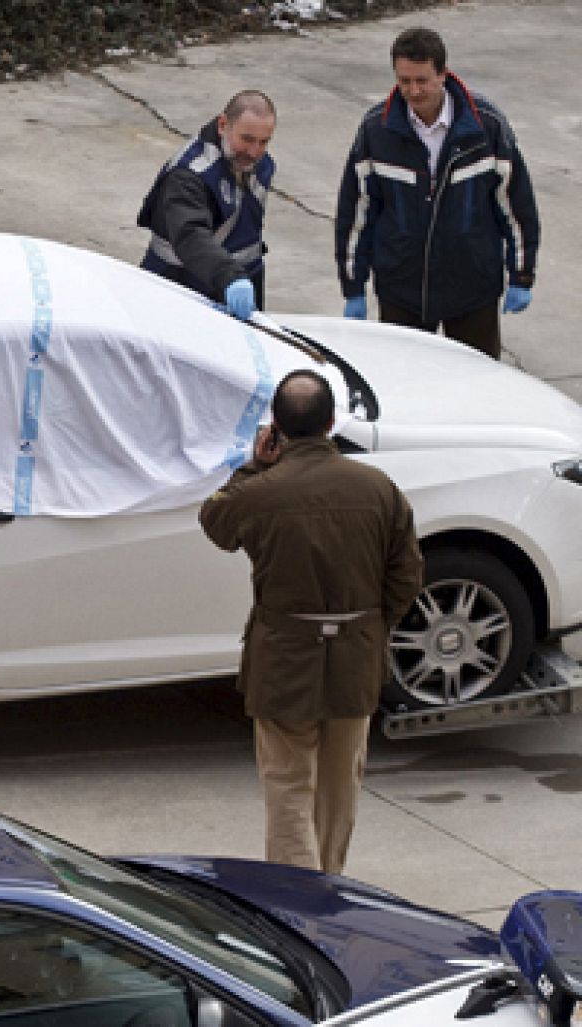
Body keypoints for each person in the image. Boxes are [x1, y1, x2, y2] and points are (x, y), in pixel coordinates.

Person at [198, 372, 422, 874]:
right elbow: (407, 575)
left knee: (287, 787)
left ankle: (296, 903)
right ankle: (330, 885)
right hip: (354, 658)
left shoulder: (259, 493)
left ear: (276, 426)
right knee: (340, 787)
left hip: (283, 659)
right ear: (331, 422)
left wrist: (253, 466)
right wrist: (370, 629)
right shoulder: (378, 488)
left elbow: (214, 521)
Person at [334, 27, 540, 360]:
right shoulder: (376, 131)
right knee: (408, 391)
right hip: (402, 293)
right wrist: (353, 286)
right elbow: (356, 213)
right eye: (404, 81)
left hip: (472, 291)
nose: (413, 92)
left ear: (443, 74)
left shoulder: (486, 128)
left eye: (422, 80)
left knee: (476, 390)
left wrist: (522, 275)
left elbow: (516, 207)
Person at [138, 90, 277, 321]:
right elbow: (190, 236)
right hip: (181, 288)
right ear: (223, 125)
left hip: (232, 288)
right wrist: (231, 277)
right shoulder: (189, 174)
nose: (255, 152)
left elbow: (247, 240)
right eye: (247, 139)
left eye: (264, 142)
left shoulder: (258, 165)